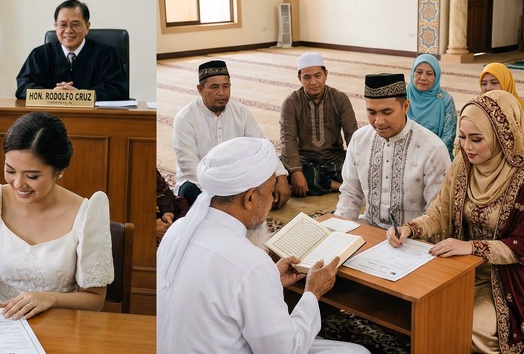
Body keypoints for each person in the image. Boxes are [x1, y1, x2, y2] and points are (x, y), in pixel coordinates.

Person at [157, 136, 379, 354]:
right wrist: (313, 293)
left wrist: (270, 280)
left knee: (320, 347)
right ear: (250, 198)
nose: (274, 200)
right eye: (271, 192)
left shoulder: (177, 233)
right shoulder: (248, 261)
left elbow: (217, 300)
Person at [388, 91, 524, 354]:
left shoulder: (521, 178)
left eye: (477, 139)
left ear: (502, 138)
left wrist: (472, 247)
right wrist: (410, 229)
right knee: (414, 307)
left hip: (506, 277)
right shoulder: (463, 165)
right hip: (459, 268)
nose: (467, 146)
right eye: (462, 137)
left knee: (469, 327)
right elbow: (440, 212)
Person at [0, 111, 114, 324]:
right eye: (10, 170)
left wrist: (49, 299)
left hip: (60, 326)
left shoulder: (87, 214)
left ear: (59, 170)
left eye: (32, 176)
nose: (18, 184)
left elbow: (95, 299)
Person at [335, 73, 451, 230]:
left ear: (405, 106)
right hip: (370, 230)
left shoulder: (432, 149)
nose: (379, 121)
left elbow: (436, 212)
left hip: (414, 239)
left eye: (387, 112)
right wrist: (338, 234)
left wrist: (412, 232)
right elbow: (350, 195)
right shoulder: (359, 139)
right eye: (372, 112)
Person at [172, 59, 290, 208]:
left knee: (269, 186)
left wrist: (281, 176)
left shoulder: (240, 112)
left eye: (225, 86)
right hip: (201, 182)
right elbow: (189, 165)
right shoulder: (185, 118)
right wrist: (219, 194)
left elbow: (262, 146)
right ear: (200, 90)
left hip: (236, 178)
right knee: (192, 194)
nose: (221, 93)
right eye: (214, 87)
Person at [15, 0, 127, 101]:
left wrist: (81, 95)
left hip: (94, 119)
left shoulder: (106, 55)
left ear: (87, 27)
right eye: (63, 25)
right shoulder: (40, 55)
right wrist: (51, 94)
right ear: (55, 27)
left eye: (75, 25)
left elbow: (117, 89)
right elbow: (23, 87)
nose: (68, 30)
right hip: (49, 118)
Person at [280, 52, 357, 197]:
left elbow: (352, 135)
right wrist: (296, 171)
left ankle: (320, 184)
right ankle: (338, 186)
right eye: (307, 77)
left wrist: (359, 164)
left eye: (317, 76)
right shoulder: (291, 102)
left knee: (368, 165)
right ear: (299, 78)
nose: (313, 82)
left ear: (326, 74)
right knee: (277, 167)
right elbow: (287, 139)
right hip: (305, 163)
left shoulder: (340, 99)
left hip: (336, 162)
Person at [407, 54, 457, 159]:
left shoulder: (445, 101)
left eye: (429, 74)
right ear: (413, 73)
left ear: (436, 76)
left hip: (435, 158)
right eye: (419, 72)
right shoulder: (403, 96)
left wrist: (425, 160)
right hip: (404, 155)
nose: (423, 78)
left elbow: (448, 138)